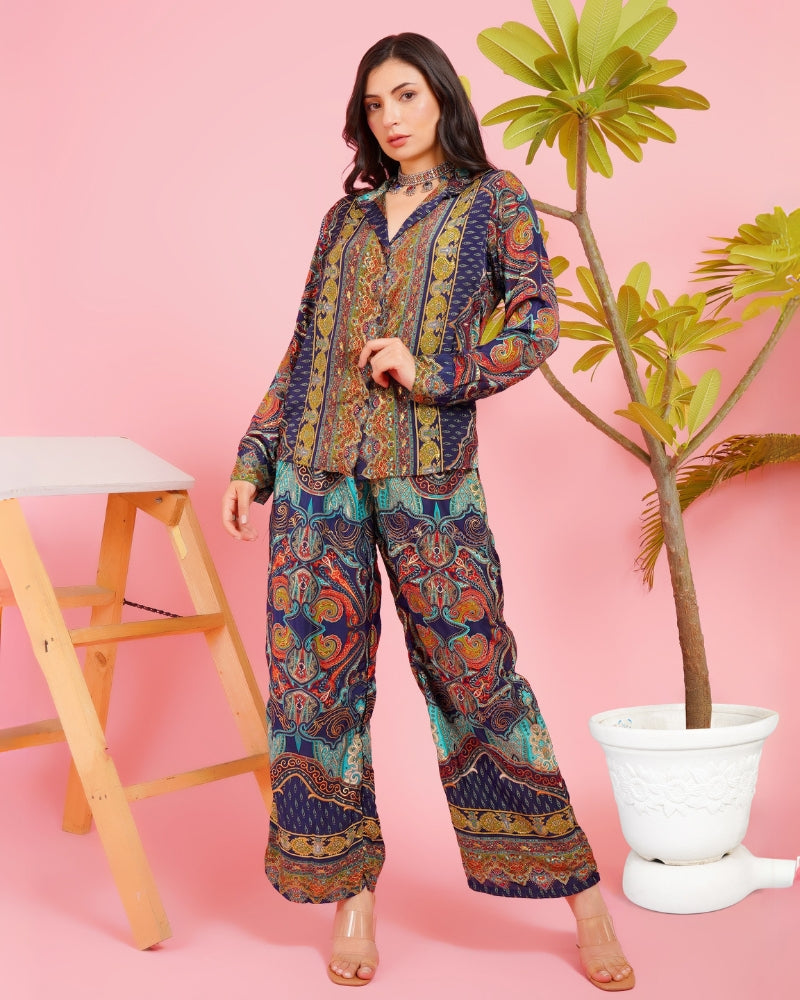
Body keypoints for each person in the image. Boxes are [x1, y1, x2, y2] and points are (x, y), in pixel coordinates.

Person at [222, 32, 635, 992]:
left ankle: (582, 898)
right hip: (317, 480)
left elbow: (537, 320)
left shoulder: (494, 201)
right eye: (374, 104)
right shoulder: (345, 219)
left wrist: (433, 370)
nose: (391, 117)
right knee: (313, 688)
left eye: (406, 95)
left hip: (430, 480)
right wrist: (255, 457)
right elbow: (305, 345)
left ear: (442, 96)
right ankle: (352, 899)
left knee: (477, 675)